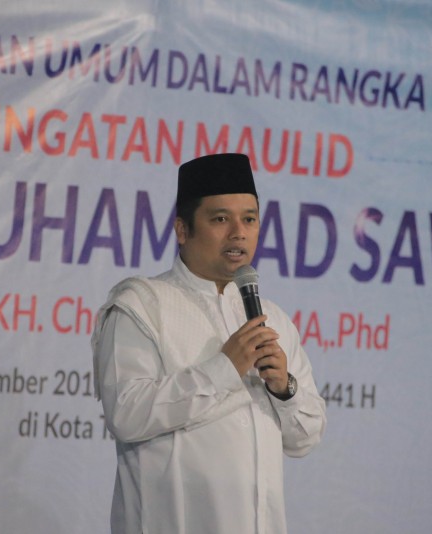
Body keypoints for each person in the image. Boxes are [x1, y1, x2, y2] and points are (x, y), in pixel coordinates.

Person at [91, 153, 326, 534]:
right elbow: (126, 414)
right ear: (182, 230)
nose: (238, 233)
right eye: (220, 219)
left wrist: (285, 389)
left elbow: (305, 439)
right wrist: (224, 368)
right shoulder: (141, 305)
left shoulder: (273, 319)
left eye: (249, 219)